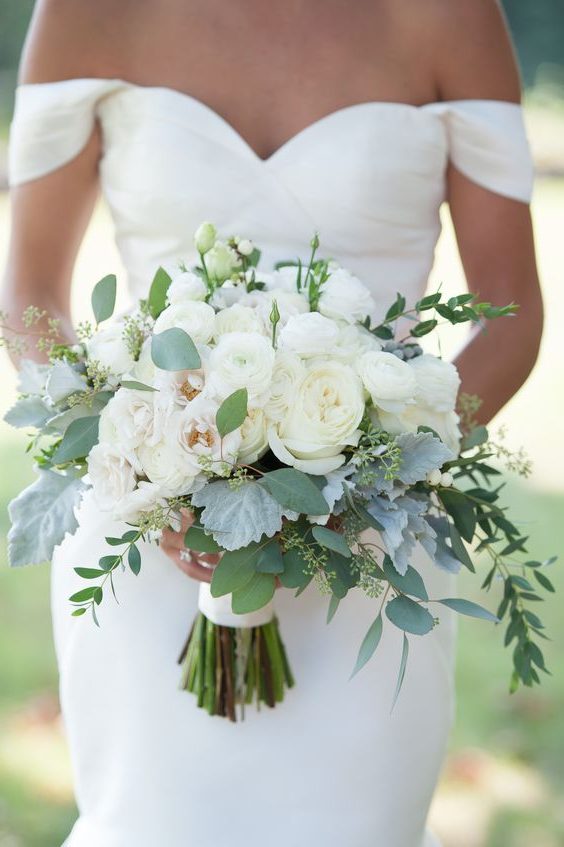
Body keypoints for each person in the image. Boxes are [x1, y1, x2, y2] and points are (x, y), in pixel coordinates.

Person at [2, 1, 543, 845]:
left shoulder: (449, 15)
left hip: (369, 555)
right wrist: (144, 466)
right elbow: (29, 297)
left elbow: (512, 316)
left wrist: (366, 482)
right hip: (151, 543)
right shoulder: (87, 12)